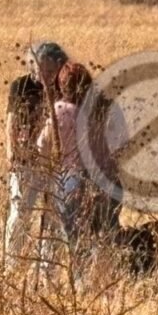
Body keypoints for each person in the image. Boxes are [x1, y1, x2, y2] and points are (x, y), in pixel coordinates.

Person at [4, 41, 68, 268]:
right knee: (20, 212)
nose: (46, 75)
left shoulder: (64, 89)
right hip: (25, 160)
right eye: (42, 69)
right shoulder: (21, 86)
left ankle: (47, 268)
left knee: (54, 215)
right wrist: (11, 151)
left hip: (55, 163)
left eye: (51, 70)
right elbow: (11, 122)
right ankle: (12, 265)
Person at [37, 61, 94, 245]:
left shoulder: (59, 110)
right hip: (85, 179)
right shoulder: (88, 113)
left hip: (62, 178)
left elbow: (41, 144)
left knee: (59, 234)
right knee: (82, 233)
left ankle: (56, 265)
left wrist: (47, 167)